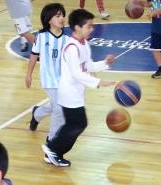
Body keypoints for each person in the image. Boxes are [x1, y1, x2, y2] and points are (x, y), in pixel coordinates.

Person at [42, 9, 115, 167]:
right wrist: (98, 82)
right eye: (88, 26)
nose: (92, 29)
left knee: (74, 124)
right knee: (78, 123)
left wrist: (105, 63)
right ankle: (53, 149)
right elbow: (76, 73)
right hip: (69, 93)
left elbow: (87, 65)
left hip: (75, 92)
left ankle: (53, 152)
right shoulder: (71, 48)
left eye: (92, 26)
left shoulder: (83, 44)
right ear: (77, 28)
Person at [26, 3, 69, 141]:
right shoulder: (41, 37)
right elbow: (33, 55)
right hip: (48, 79)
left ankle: (37, 113)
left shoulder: (67, 39)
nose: (62, 18)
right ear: (49, 19)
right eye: (58, 16)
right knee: (59, 109)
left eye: (63, 15)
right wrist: (29, 74)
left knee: (56, 105)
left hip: (62, 79)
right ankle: (51, 140)